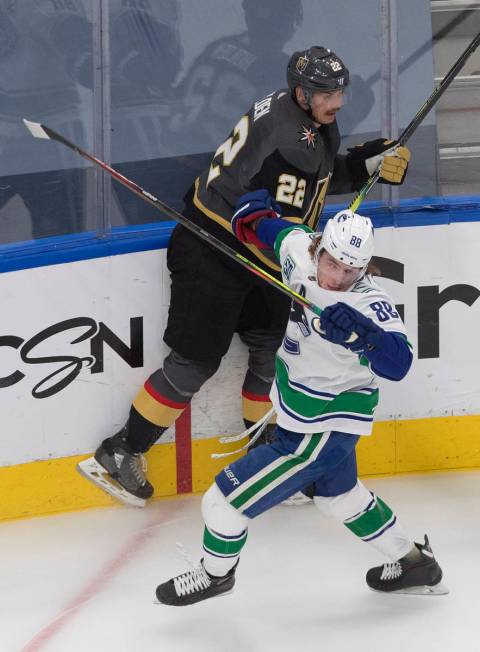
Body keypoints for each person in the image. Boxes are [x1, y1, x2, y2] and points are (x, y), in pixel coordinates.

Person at [77, 45, 411, 507]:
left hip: (257, 259)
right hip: (212, 251)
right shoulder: (291, 139)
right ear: (301, 92)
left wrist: (362, 164)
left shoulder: (299, 118)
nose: (337, 100)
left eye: (339, 90)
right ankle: (120, 452)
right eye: (325, 92)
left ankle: (270, 458)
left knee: (271, 351)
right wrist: (357, 171)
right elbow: (290, 214)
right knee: (195, 361)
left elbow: (310, 182)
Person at [155, 209, 446, 605]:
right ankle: (414, 563)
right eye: (332, 263)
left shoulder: (369, 302)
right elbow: (273, 228)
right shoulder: (298, 253)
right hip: (303, 415)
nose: (337, 277)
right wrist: (251, 216)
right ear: (319, 248)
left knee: (221, 504)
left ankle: (215, 574)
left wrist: (364, 337)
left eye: (351, 270)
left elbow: (399, 363)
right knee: (339, 498)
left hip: (322, 428)